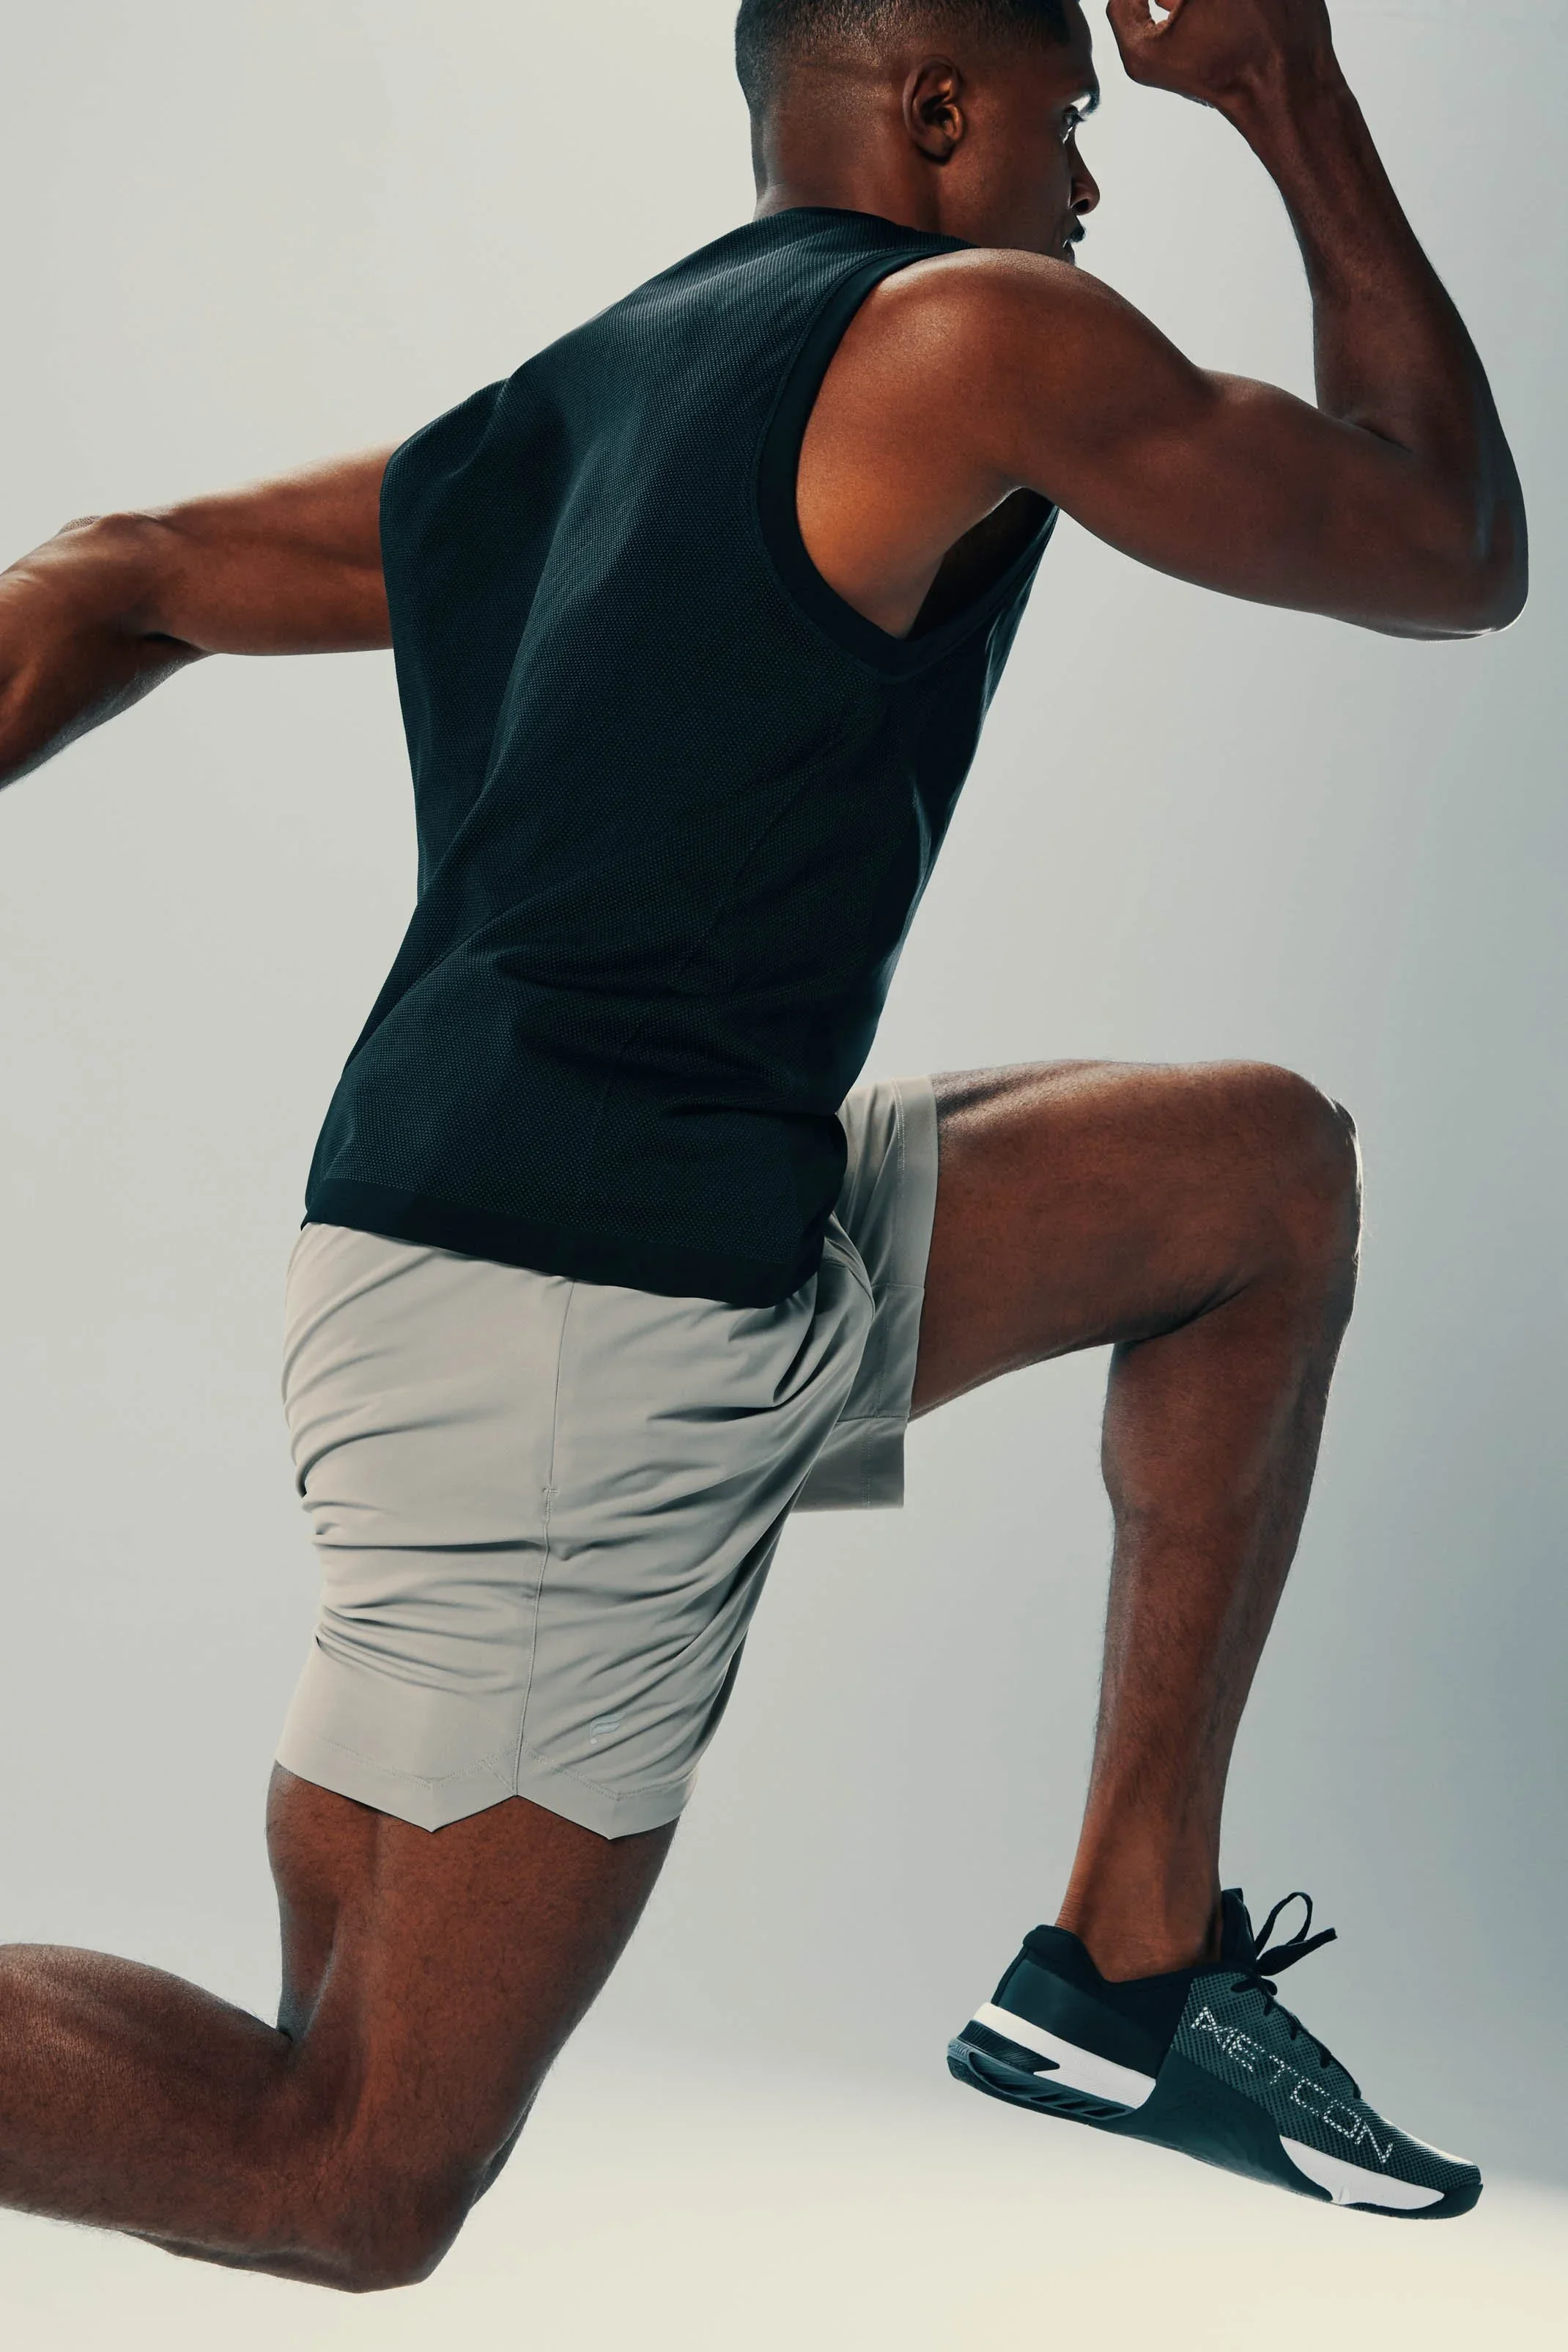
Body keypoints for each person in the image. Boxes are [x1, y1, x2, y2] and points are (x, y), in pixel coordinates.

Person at [0, 0, 1525, 2292]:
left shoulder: (585, 398)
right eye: (1065, 127)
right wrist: (1281, 89)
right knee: (351, 2170)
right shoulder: (971, 329)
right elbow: (1443, 545)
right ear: (931, 109)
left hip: (637, 1239)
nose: (1088, 192)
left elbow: (113, 564)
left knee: (1252, 1182)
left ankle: (1126, 1970)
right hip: (562, 1346)